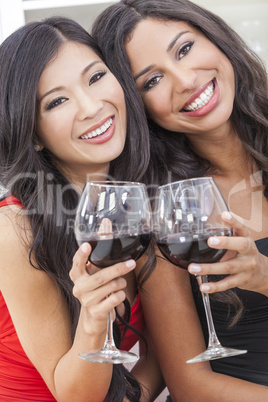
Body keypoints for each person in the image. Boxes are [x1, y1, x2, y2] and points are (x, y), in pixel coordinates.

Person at [92, 0, 268, 400]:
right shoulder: (162, 209)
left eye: (184, 49)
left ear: (216, 37)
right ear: (139, 109)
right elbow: (191, 385)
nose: (185, 80)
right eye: (152, 81)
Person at [0, 16, 165, 401]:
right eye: (57, 101)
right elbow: (71, 394)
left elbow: (162, 345)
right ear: (33, 135)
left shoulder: (138, 198)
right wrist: (92, 320)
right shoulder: (15, 226)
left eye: (95, 77)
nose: (92, 107)